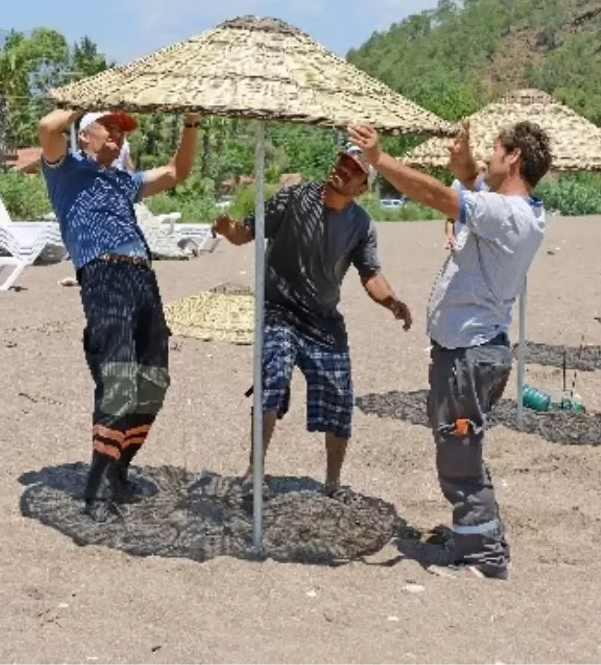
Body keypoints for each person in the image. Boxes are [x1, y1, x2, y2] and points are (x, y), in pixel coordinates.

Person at [347, 118, 551, 580]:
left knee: (459, 451)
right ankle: (474, 531)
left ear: (514, 157)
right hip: (471, 350)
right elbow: (466, 185)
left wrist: (378, 159)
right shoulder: (512, 209)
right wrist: (463, 168)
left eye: (495, 151)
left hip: (470, 353)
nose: (488, 158)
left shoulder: (509, 214)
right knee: (463, 445)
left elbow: (440, 197)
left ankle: (484, 556)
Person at [211, 145, 412, 498]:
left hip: (323, 320)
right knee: (272, 378)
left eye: (353, 169)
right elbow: (247, 233)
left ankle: (333, 483)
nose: (343, 170)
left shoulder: (361, 224)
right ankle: (253, 474)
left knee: (339, 396)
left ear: (362, 187)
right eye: (342, 162)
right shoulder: (292, 199)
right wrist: (229, 230)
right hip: (280, 310)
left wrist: (392, 301)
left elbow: (371, 274)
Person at [37, 106, 199, 521]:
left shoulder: (125, 181)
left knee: (155, 380)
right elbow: (48, 127)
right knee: (120, 378)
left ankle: (119, 472)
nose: (119, 135)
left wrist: (191, 123)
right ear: (85, 135)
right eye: (109, 127)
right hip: (103, 271)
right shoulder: (65, 168)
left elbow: (178, 171)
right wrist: (85, 98)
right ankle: (95, 493)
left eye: (122, 130)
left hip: (143, 275)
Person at [443, 159, 488, 249]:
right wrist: (450, 236)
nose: (481, 174)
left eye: (484, 170)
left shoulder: (488, 187)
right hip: (461, 240)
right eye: (479, 170)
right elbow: (450, 217)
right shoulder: (458, 185)